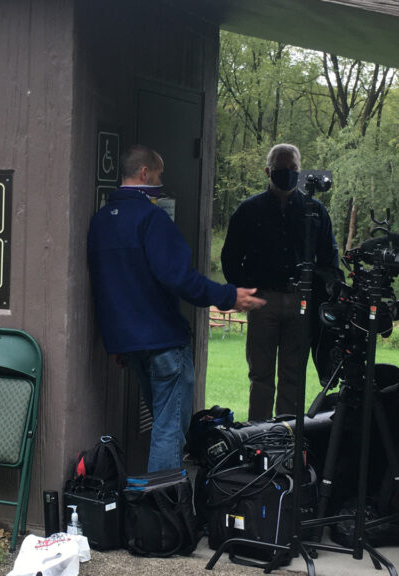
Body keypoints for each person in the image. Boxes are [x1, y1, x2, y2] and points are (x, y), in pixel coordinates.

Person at [88, 145, 265, 472]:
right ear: (144, 174)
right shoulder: (152, 219)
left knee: (163, 425)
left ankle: (157, 508)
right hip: (163, 341)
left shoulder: (100, 222)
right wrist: (229, 297)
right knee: (169, 430)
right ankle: (163, 511)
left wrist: (120, 341)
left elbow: (106, 283)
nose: (159, 182)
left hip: (128, 344)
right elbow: (180, 279)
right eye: (158, 175)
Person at [220, 143, 338, 421]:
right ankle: (258, 437)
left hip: (302, 303)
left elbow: (330, 260)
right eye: (280, 169)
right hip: (263, 301)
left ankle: (286, 441)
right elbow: (230, 259)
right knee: (260, 376)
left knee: (293, 377)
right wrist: (248, 293)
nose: (287, 173)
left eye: (292, 169)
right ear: (267, 171)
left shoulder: (316, 212)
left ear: (300, 171)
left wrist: (320, 295)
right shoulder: (248, 210)